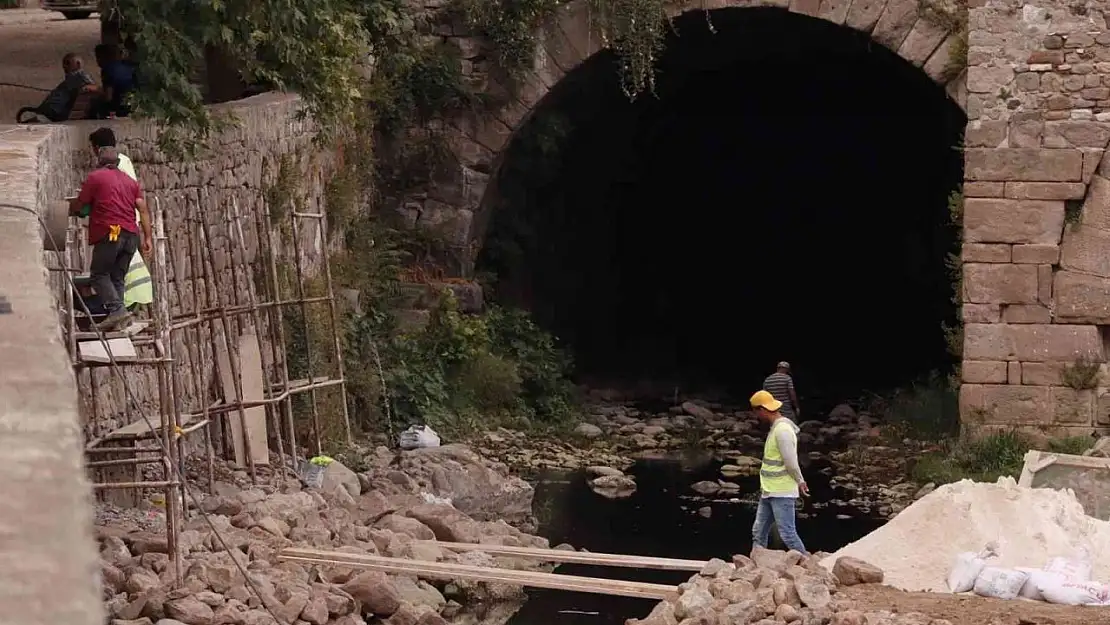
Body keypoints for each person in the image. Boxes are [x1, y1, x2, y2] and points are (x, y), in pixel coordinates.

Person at [69, 146, 151, 331]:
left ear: (99, 161)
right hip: (131, 235)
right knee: (117, 277)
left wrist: (73, 208)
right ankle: (120, 320)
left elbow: (81, 203)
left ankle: (117, 311)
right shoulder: (131, 182)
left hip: (112, 232)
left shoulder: (95, 178)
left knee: (99, 274)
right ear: (118, 163)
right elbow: (143, 208)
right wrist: (148, 238)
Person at [88, 127, 153, 311]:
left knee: (102, 272)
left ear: (99, 148)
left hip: (117, 228)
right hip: (130, 226)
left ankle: (117, 308)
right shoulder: (124, 162)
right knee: (118, 273)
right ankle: (120, 309)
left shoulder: (114, 166)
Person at [749, 389, 808, 556]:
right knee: (758, 531)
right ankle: (756, 564)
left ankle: (809, 565)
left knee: (787, 534)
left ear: (761, 409)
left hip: (782, 490)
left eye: (755, 411)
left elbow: (790, 461)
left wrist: (800, 480)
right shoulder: (776, 427)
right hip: (769, 489)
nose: (756, 416)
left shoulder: (782, 430)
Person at [16, 52, 98, 123]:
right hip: (52, 111)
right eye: (64, 63)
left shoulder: (80, 75)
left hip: (55, 112)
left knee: (32, 121)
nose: (64, 66)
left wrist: (85, 88)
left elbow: (93, 86)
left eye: (68, 63)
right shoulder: (71, 78)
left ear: (78, 64)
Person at [93, 43, 135, 118]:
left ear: (102, 57)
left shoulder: (107, 69)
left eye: (97, 57)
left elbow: (108, 96)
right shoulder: (128, 66)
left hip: (119, 107)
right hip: (133, 104)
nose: (97, 61)